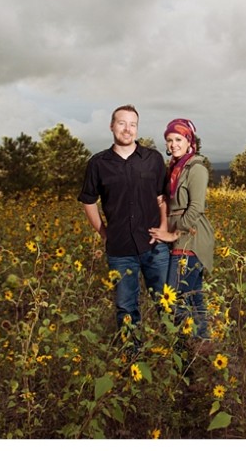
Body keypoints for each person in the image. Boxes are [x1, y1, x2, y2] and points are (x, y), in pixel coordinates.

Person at [78, 104, 170, 341]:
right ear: (111, 126)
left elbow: (163, 197)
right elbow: (88, 201)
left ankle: (181, 357)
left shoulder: (153, 159)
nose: (127, 129)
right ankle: (131, 360)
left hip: (154, 246)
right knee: (126, 308)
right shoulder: (98, 163)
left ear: (137, 129)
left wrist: (163, 227)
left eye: (132, 124)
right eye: (122, 123)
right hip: (120, 251)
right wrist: (104, 232)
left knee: (168, 303)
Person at [150, 118, 214, 343]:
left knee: (174, 296)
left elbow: (196, 207)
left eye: (178, 139)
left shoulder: (196, 168)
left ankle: (184, 343)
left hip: (192, 237)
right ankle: (203, 344)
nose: (173, 144)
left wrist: (173, 234)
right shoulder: (175, 168)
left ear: (189, 141)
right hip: (183, 237)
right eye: (169, 140)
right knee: (194, 296)